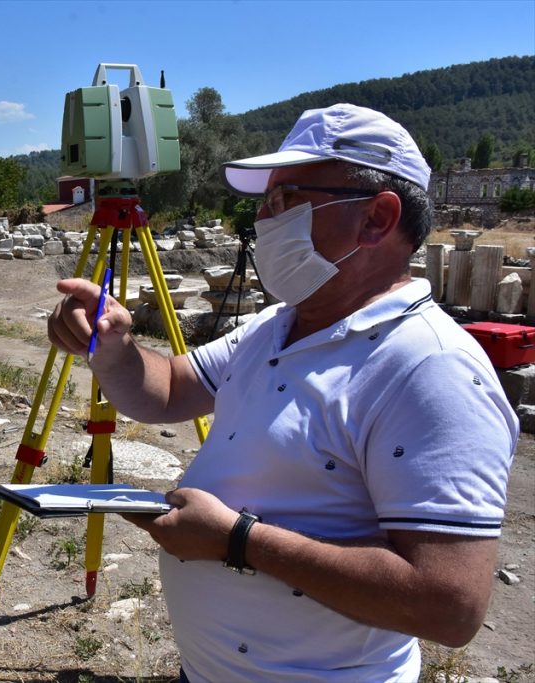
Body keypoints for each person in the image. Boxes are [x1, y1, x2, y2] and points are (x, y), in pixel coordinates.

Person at [47, 103, 518, 681]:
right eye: (266, 200)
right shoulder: (276, 325)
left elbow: (449, 606)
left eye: (286, 198)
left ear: (377, 218)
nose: (264, 219)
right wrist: (113, 347)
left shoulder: (430, 369)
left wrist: (237, 541)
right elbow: (167, 390)